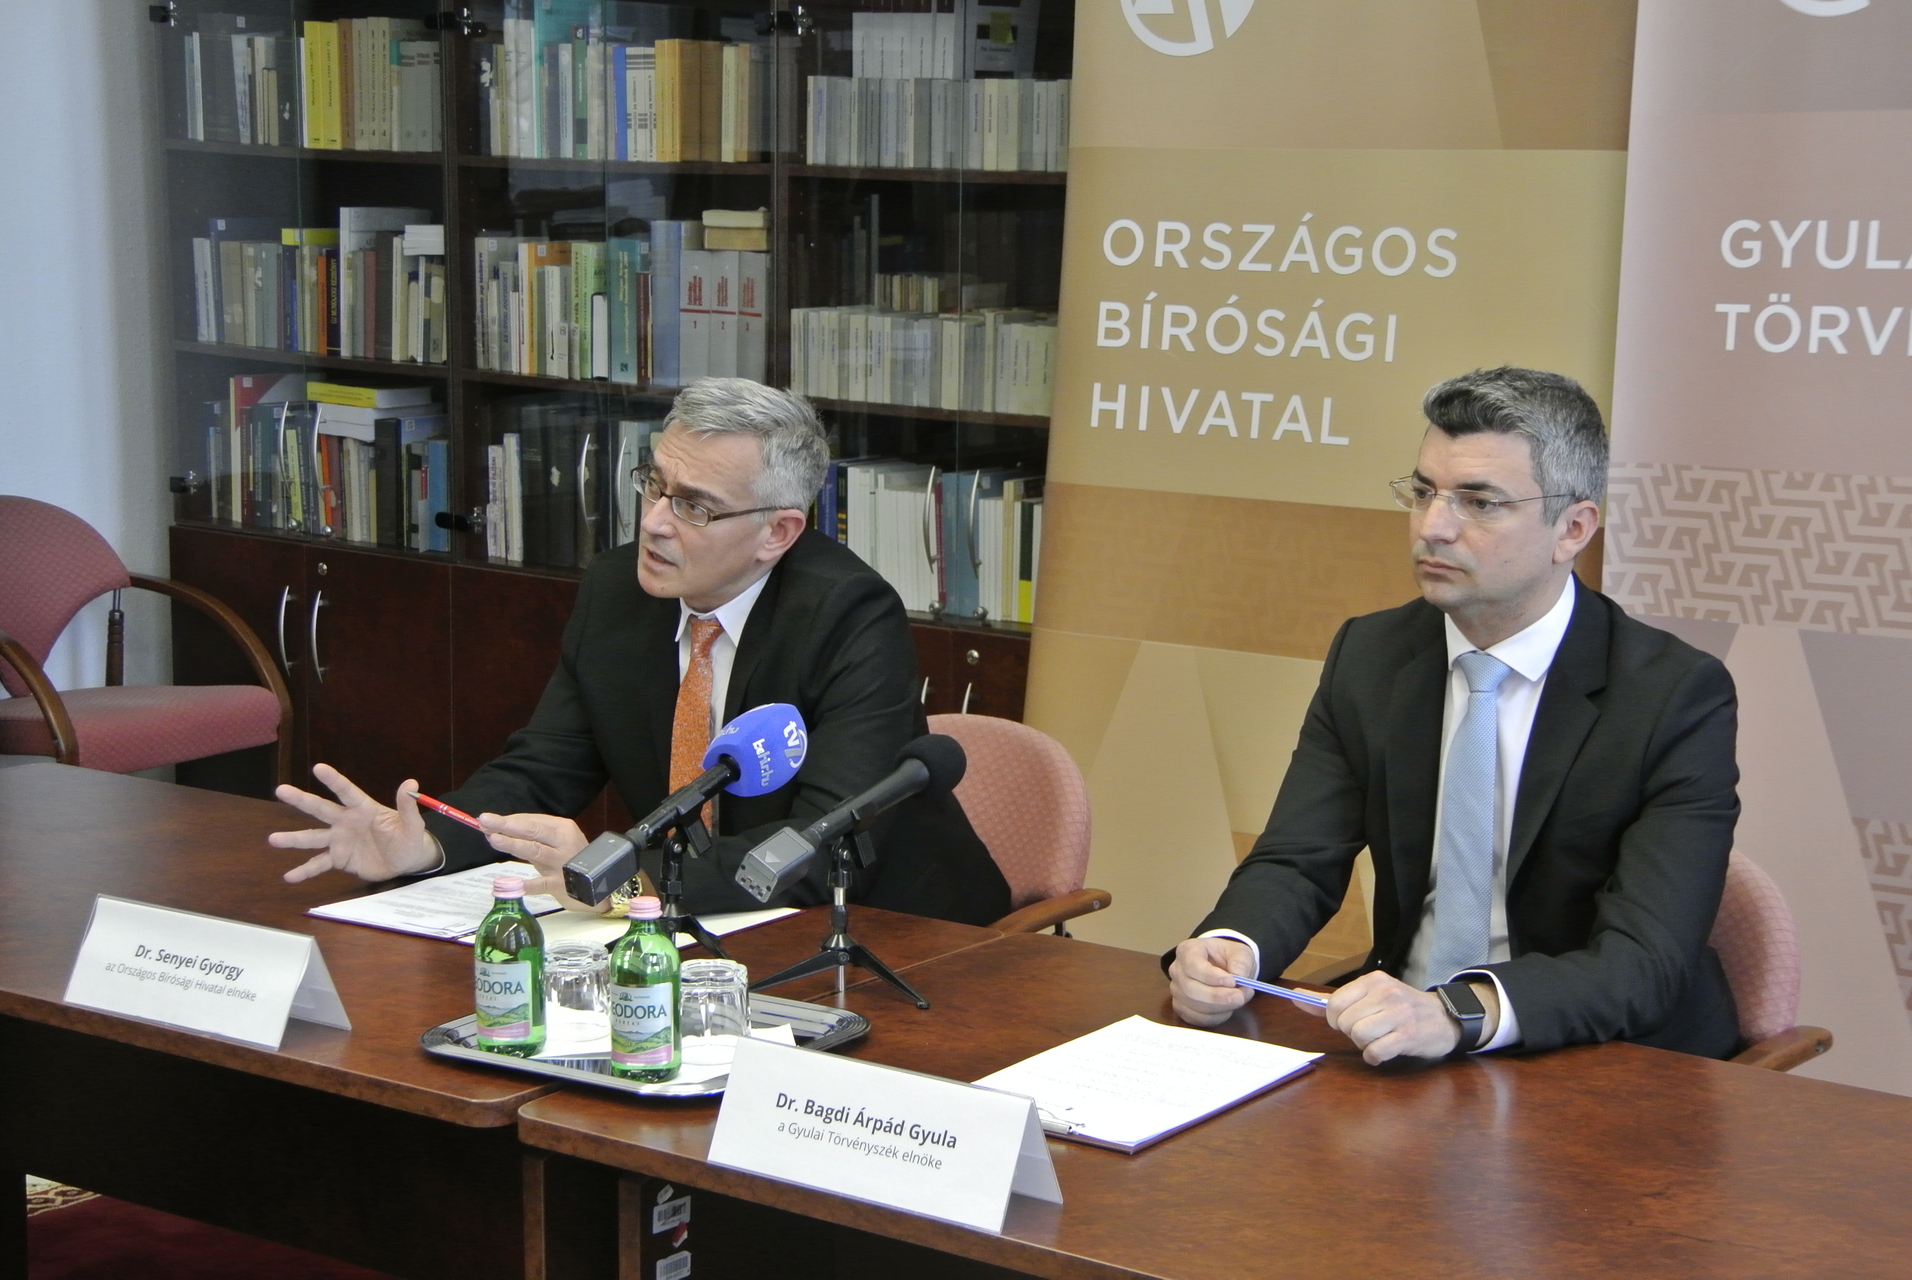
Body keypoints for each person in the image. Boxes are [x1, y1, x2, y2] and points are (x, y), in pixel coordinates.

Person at [269, 378, 1011, 925]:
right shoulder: (619, 591)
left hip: (893, 933)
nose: (653, 522)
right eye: (655, 485)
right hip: (694, 926)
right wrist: (428, 843)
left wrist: (619, 876)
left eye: (693, 506)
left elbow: (814, 850)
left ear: (777, 533)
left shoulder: (849, 616)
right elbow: (543, 770)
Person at [1168, 367, 1740, 1063]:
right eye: (1423, 493)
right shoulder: (1371, 655)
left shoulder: (1672, 697)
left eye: (1479, 503)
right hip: (1399, 1041)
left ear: (1572, 528)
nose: (1433, 528)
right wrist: (1232, 946)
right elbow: (1298, 860)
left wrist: (1460, 1011)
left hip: (1594, 1054)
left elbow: (1643, 961)